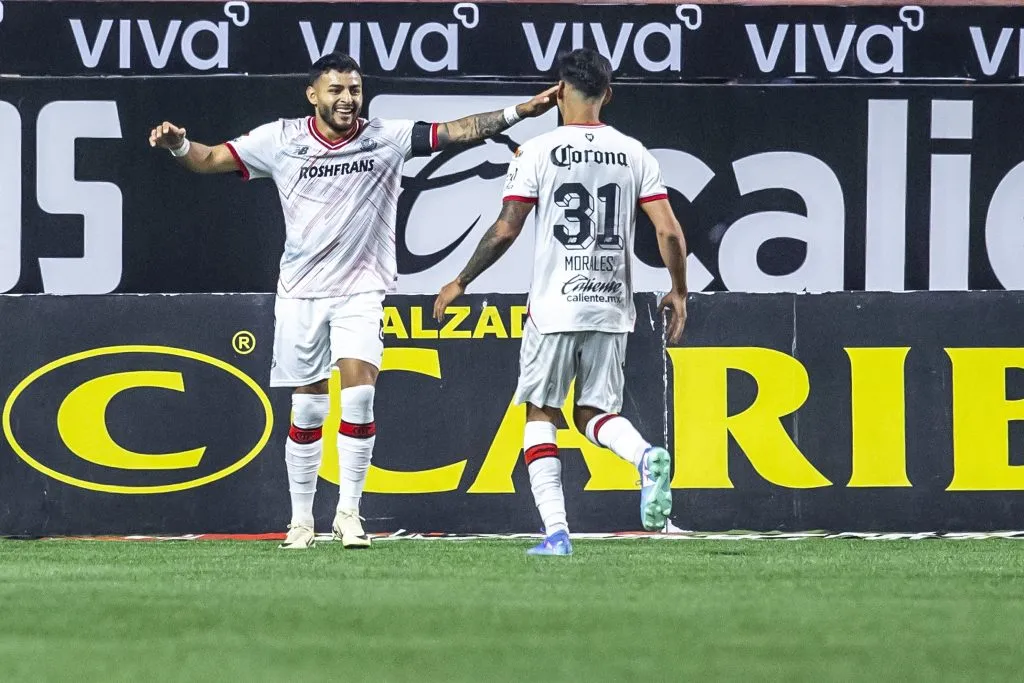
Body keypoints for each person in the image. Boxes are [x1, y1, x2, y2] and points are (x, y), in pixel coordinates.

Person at [149, 52, 557, 550]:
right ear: (313, 95)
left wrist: (518, 112)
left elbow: (458, 130)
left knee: (360, 395)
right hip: (301, 292)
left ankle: (348, 513)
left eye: (355, 90)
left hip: (362, 288)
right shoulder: (279, 140)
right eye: (336, 90)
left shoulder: (385, 137)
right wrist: (178, 145)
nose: (347, 100)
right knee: (308, 412)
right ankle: (301, 521)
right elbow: (210, 158)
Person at [433, 48, 688, 556]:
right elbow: (669, 231)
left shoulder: (538, 152)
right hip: (611, 305)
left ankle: (556, 534)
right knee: (595, 411)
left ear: (558, 91)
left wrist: (460, 280)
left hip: (554, 307)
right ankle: (642, 457)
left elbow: (507, 229)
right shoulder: (636, 153)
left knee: (541, 414)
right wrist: (679, 290)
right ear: (607, 94)